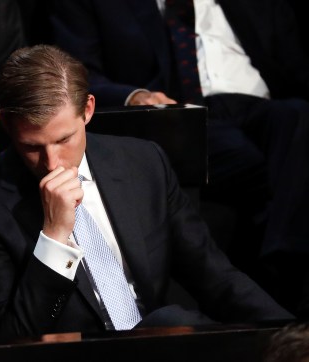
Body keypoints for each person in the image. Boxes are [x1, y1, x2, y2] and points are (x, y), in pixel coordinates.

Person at [0, 45, 293, 341]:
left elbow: (215, 277)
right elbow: (10, 337)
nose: (52, 163)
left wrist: (294, 335)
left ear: (88, 110)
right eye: (32, 147)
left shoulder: (144, 163)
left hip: (155, 342)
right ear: (5, 125)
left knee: (175, 321)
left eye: (64, 140)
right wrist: (54, 237)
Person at [49, 0, 309, 316]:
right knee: (248, 155)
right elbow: (75, 74)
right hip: (189, 114)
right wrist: (134, 95)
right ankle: (289, 267)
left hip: (262, 106)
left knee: (298, 117)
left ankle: (283, 253)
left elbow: (291, 63)